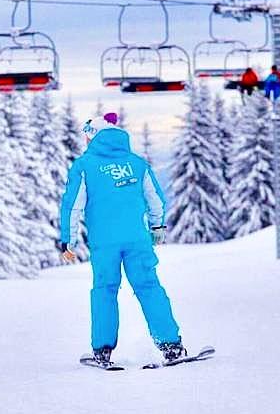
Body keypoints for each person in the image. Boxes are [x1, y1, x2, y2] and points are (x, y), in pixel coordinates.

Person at [58, 112, 185, 367]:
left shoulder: (84, 166)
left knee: (104, 290)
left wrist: (68, 240)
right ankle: (171, 346)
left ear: (94, 136)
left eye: (87, 137)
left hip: (104, 243)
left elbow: (73, 205)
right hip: (137, 239)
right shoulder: (137, 164)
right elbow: (155, 198)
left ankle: (102, 351)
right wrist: (157, 225)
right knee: (149, 287)